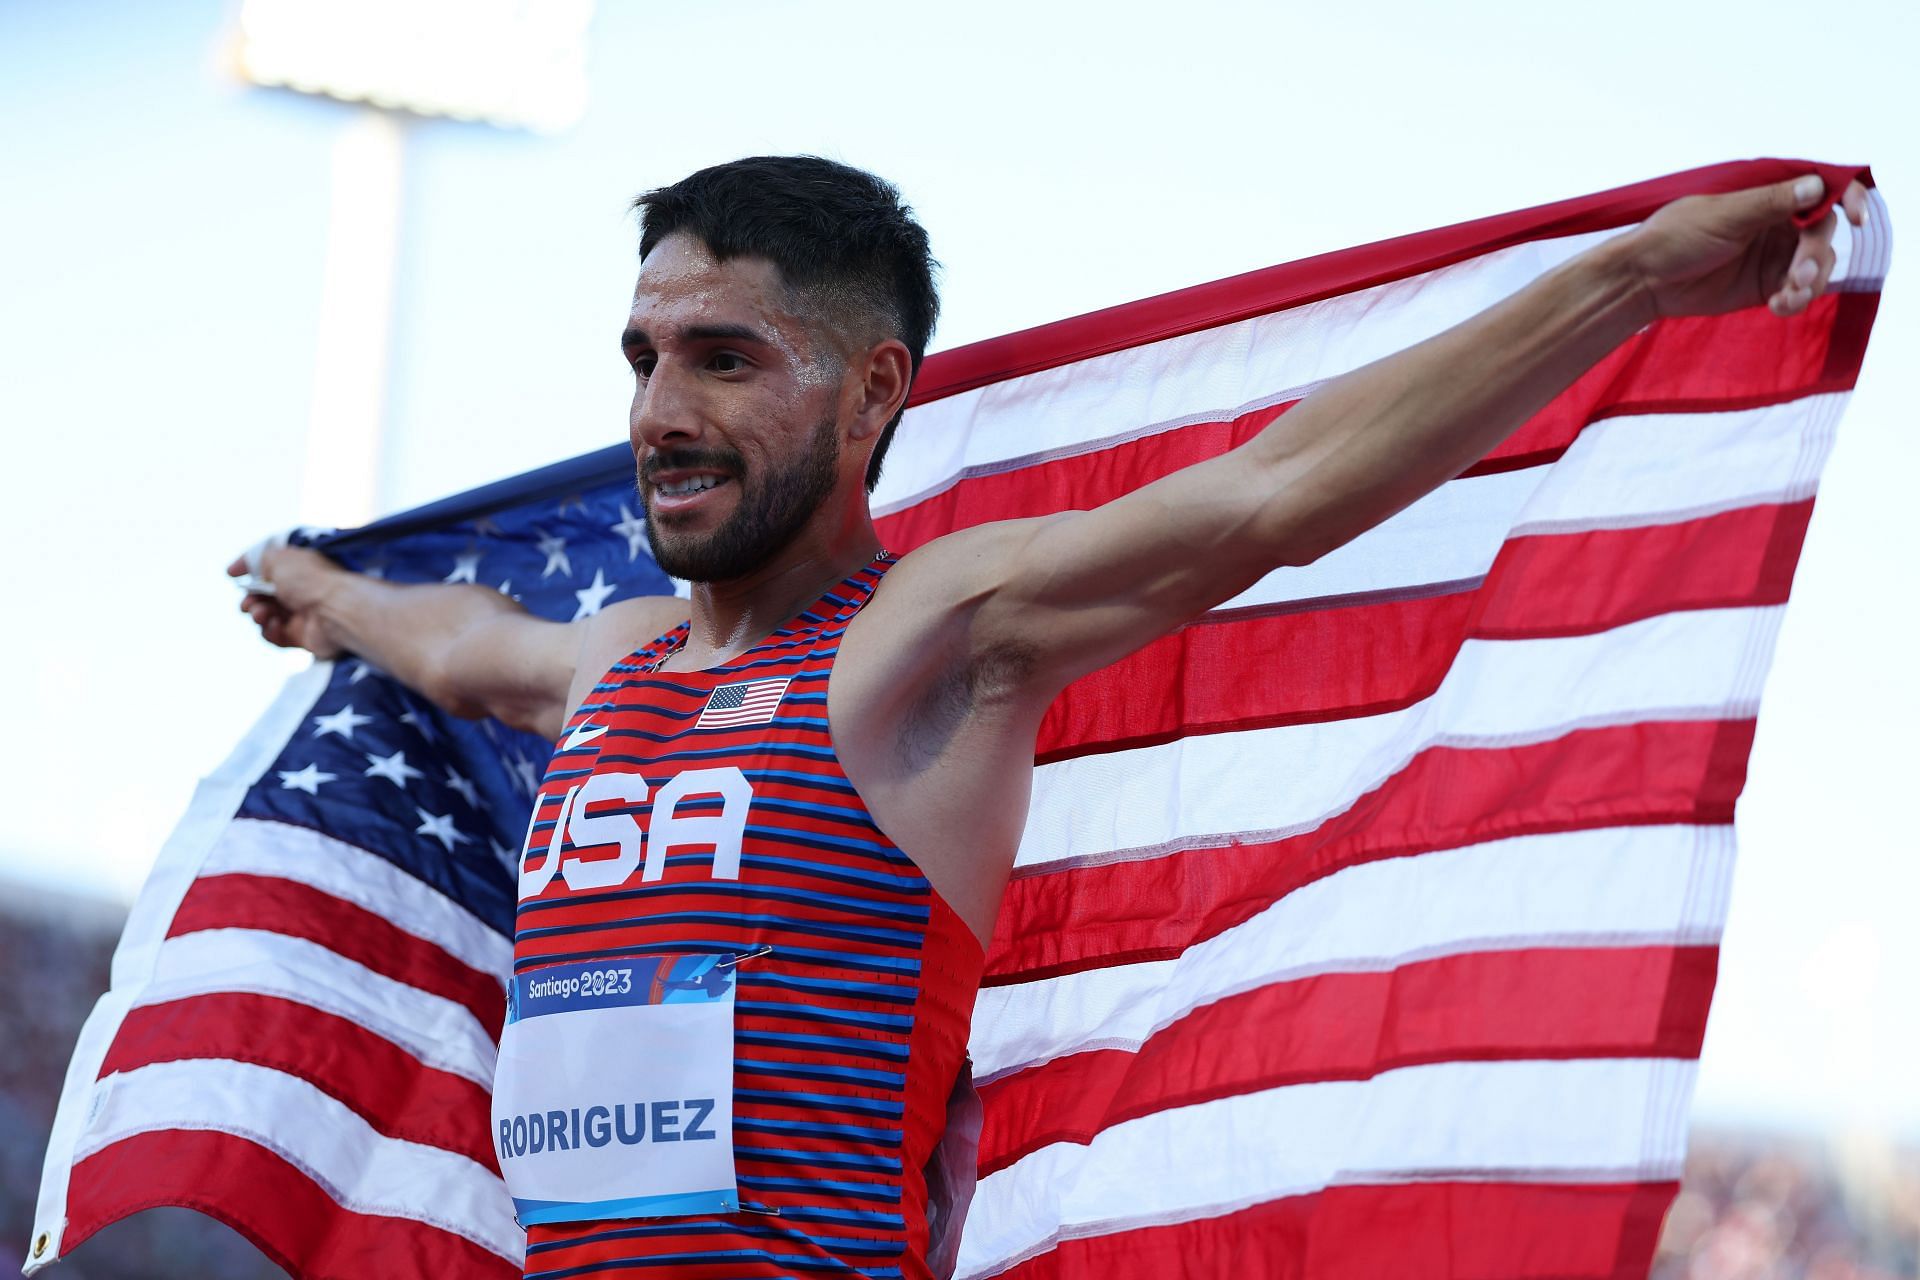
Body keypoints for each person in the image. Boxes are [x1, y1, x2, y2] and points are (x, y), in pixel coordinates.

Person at [231, 155, 1868, 1280]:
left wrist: (1637, 279)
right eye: (646, 356)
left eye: (726, 359)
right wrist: (325, 598)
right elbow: (462, 648)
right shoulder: (617, 662)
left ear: (875, 390)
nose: (663, 412)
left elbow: (1274, 495)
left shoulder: (928, 636)